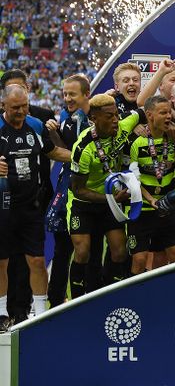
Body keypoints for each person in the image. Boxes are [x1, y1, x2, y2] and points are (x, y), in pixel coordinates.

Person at [0, 85, 71, 329]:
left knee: (37, 261)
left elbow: (52, 152)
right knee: (2, 262)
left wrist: (80, 156)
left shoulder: (36, 125)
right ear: (3, 106)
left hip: (31, 206)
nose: (21, 112)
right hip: (3, 208)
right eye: (15, 108)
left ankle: (40, 313)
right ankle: (2, 314)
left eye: (25, 106)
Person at [67, 94, 141, 298]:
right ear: (94, 119)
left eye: (117, 115)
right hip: (83, 203)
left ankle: (110, 296)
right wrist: (111, 199)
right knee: (82, 252)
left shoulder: (122, 127)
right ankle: (77, 301)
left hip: (110, 201)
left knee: (120, 250)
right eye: (109, 116)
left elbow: (146, 111)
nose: (116, 120)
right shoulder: (83, 148)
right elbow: (78, 189)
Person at [125, 96, 175, 274]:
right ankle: (137, 299)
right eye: (163, 113)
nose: (168, 116)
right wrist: (151, 200)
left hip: (168, 207)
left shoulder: (174, 137)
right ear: (149, 115)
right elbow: (132, 180)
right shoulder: (135, 142)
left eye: (169, 112)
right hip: (142, 210)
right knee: (139, 259)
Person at [47, 74, 92, 306]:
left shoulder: (96, 118)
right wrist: (54, 131)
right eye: (65, 94)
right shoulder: (65, 116)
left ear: (87, 94)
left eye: (72, 94)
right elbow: (64, 151)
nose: (67, 99)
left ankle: (86, 300)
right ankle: (56, 302)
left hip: (90, 194)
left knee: (87, 250)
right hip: (66, 192)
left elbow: (77, 155)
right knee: (62, 247)